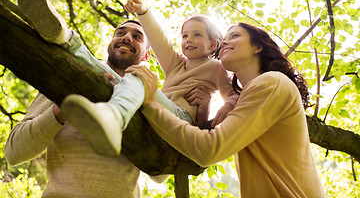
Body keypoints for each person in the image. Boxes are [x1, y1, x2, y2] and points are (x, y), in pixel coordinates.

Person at [4, 0, 209, 197]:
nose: (127, 37)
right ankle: (63, 36)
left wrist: (201, 117)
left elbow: (160, 174)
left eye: (137, 36)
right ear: (109, 45)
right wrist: (63, 108)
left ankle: (66, 38)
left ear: (147, 56)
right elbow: (13, 153)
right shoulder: (65, 80)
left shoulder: (148, 100)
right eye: (121, 33)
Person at [127, 23, 325, 197]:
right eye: (226, 38)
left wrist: (151, 103)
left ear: (257, 47)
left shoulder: (272, 83)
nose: (226, 42)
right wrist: (203, 113)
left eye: (235, 36)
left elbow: (209, 149)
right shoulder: (249, 99)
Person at [125, 0, 238, 127]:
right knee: (133, 76)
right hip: (155, 108)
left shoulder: (216, 67)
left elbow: (233, 94)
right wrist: (142, 12)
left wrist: (226, 106)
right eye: (185, 36)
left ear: (212, 44)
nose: (189, 40)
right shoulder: (175, 64)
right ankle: (113, 112)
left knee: (141, 78)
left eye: (197, 34)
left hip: (181, 115)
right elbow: (158, 38)